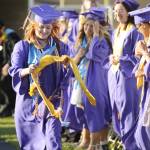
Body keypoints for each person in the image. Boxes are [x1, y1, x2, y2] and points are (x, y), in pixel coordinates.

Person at [9, 4, 69, 150]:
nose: (44, 31)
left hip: (51, 102)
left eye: (48, 28)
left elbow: (66, 78)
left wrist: (67, 66)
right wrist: (28, 70)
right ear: (34, 26)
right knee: (31, 146)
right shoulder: (22, 47)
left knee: (53, 140)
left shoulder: (60, 47)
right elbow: (14, 71)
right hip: (28, 104)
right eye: (41, 27)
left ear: (52, 28)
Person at [104, 0, 143, 149]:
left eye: (121, 10)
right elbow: (113, 53)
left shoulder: (134, 32)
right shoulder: (116, 31)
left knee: (129, 112)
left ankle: (132, 146)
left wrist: (121, 58)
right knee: (116, 111)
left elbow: (138, 57)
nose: (117, 13)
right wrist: (112, 58)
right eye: (115, 11)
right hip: (114, 76)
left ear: (128, 12)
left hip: (127, 77)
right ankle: (126, 142)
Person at [72, 10, 112, 150]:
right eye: (86, 25)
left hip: (96, 80)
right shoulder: (81, 40)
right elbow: (73, 62)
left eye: (92, 25)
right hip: (81, 80)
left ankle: (94, 144)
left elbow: (95, 55)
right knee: (84, 111)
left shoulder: (103, 41)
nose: (88, 28)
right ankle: (86, 139)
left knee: (94, 110)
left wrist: (95, 35)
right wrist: (79, 55)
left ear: (98, 26)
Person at [129, 6, 150, 150]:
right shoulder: (146, 42)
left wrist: (145, 53)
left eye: (139, 26)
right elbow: (139, 70)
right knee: (140, 133)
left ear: (146, 25)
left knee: (143, 132)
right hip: (146, 92)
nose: (138, 30)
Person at [0, 20, 20, 116]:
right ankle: (9, 107)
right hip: (6, 66)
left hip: (13, 67)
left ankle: (12, 107)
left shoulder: (11, 36)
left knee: (5, 84)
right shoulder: (4, 37)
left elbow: (15, 53)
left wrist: (8, 65)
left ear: (2, 28)